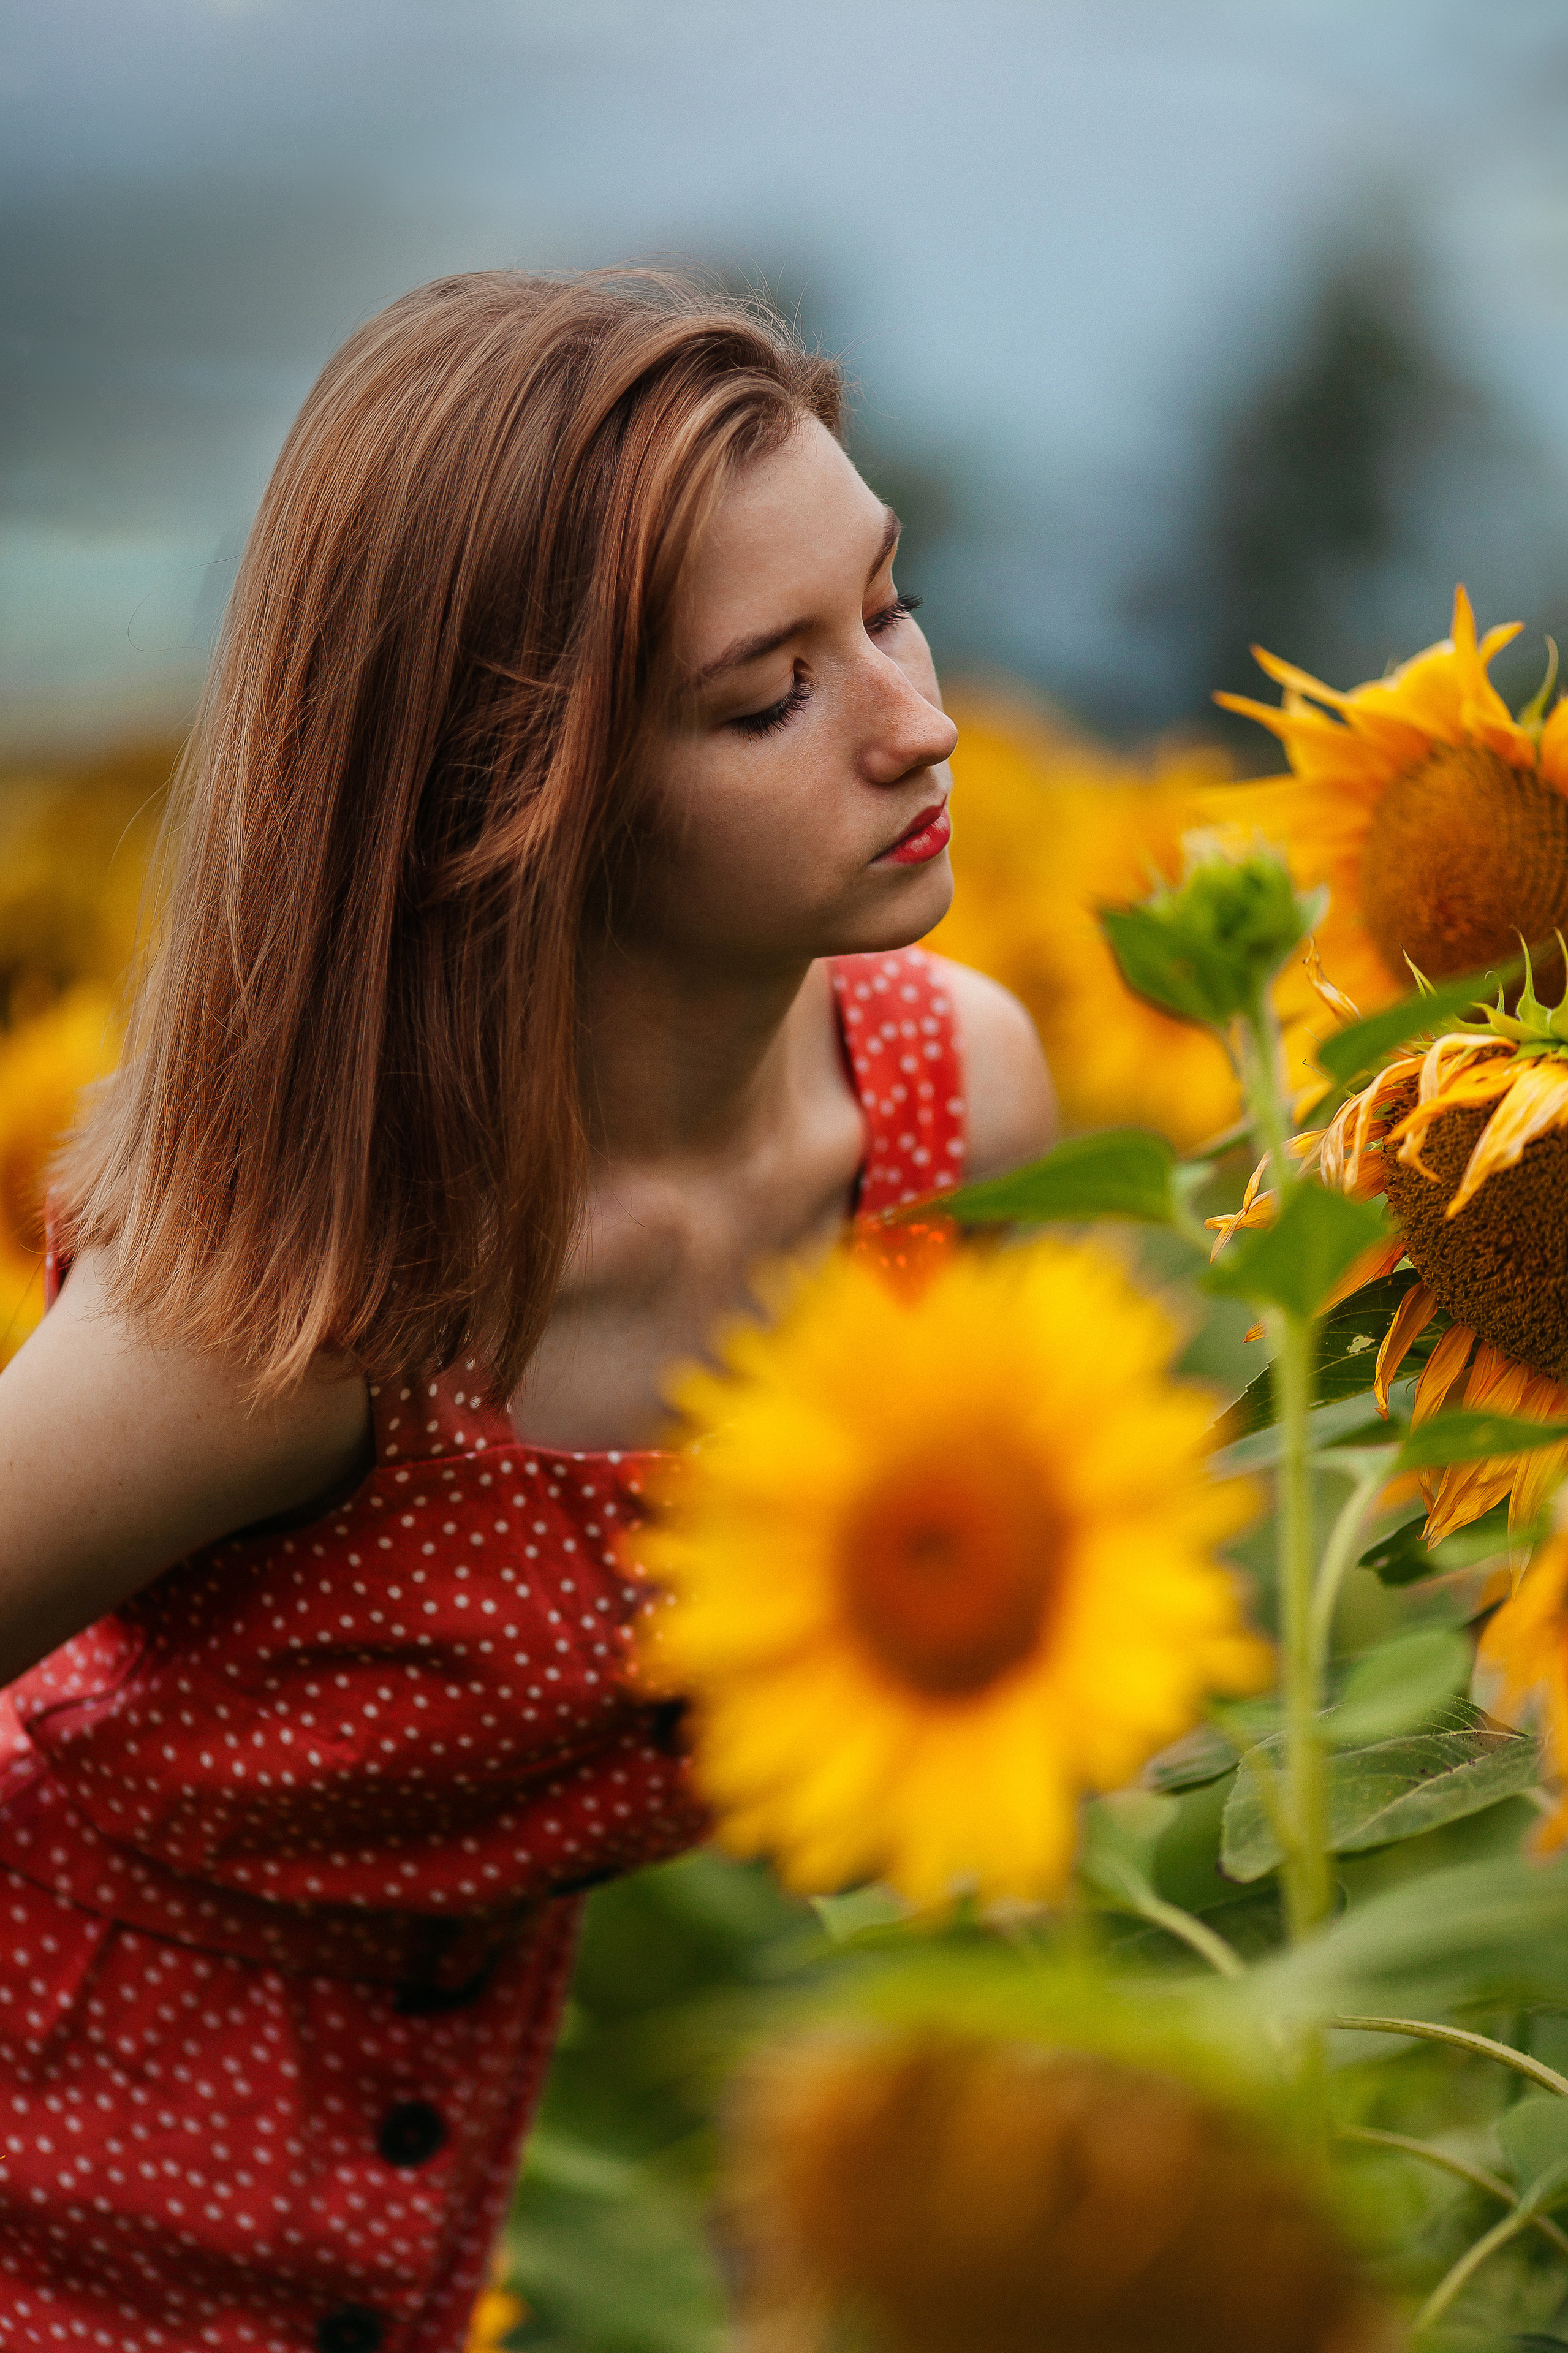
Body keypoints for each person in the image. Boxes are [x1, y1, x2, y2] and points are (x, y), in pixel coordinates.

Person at [0, 270, 1056, 2352]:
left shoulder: (957, 1121)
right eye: (771, 694)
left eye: (890, 604)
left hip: (426, 2200)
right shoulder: (298, 1305)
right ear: (525, 793)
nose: (915, 720)